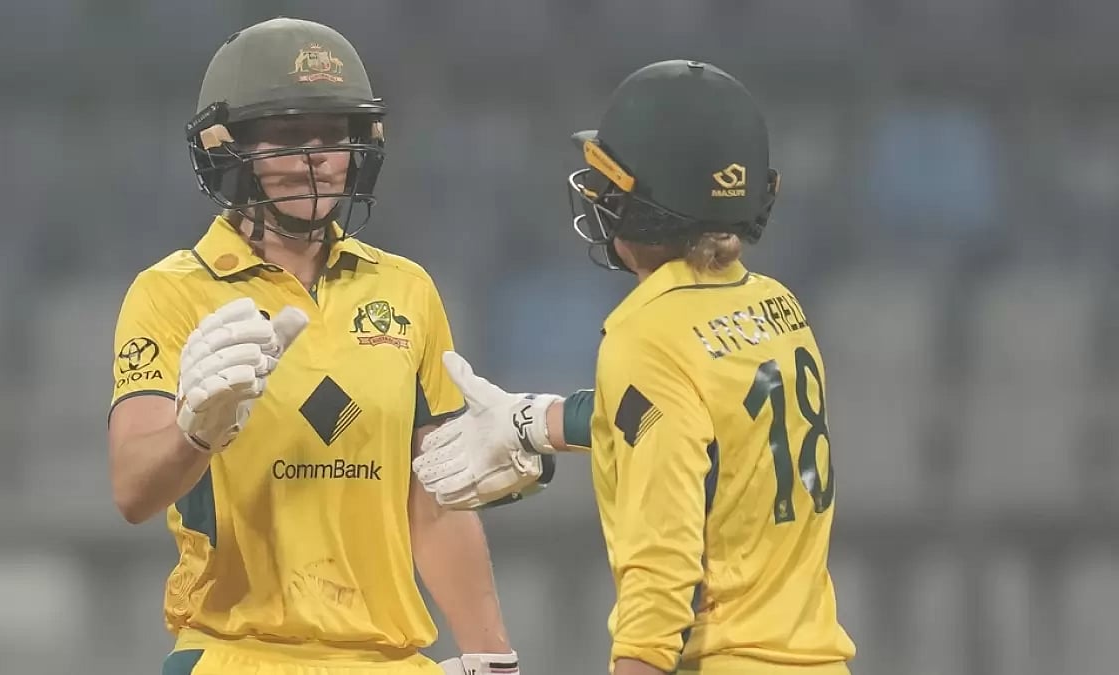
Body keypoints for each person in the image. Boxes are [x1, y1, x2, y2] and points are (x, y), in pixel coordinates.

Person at [107, 17, 522, 675]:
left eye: (335, 135)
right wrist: (194, 433)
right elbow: (132, 488)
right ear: (224, 149)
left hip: (390, 660)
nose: (318, 157)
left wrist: (494, 655)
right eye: (288, 135)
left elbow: (434, 498)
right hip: (237, 655)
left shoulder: (406, 289)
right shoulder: (170, 292)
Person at [413, 60, 856, 674]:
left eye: (611, 182)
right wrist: (536, 421)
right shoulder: (776, 305)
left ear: (646, 205)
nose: (600, 194)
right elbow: (699, 419)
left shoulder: (647, 334)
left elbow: (663, 562)